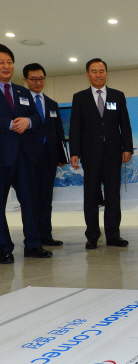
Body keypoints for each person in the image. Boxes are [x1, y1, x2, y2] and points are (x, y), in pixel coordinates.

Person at [69, 58, 133, 249]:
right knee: (91, 196)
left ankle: (113, 235)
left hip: (114, 154)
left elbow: (125, 124)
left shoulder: (117, 96)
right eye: (94, 71)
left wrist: (127, 147)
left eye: (102, 71)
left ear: (106, 73)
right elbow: (75, 127)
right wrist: (74, 152)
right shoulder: (79, 97)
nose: (98, 75)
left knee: (113, 196)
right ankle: (92, 236)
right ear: (88, 74)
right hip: (90, 154)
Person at [0, 44, 52, 263]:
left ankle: (33, 245)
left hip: (25, 158)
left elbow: (38, 118)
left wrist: (28, 121)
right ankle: (4, 248)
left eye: (9, 62)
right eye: (1, 63)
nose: (6, 66)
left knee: (30, 203)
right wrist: (10, 123)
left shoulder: (22, 92)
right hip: (2, 158)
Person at [23, 63, 66, 247]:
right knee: (31, 199)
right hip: (28, 158)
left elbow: (58, 132)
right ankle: (33, 239)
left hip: (48, 157)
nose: (38, 82)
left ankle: (46, 235)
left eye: (41, 78)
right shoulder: (20, 101)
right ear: (26, 80)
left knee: (46, 198)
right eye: (33, 79)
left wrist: (61, 157)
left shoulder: (51, 104)